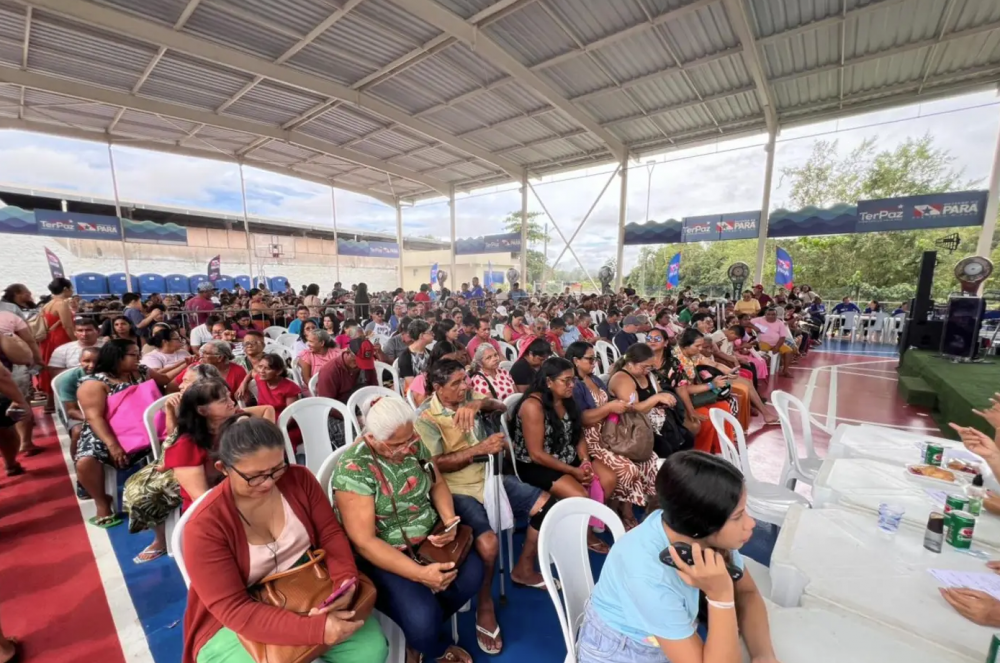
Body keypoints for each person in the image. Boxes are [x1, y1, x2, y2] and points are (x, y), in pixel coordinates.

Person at [181, 416, 387, 663]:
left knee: (370, 651)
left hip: (308, 585)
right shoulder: (204, 527)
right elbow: (233, 609)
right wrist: (314, 629)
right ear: (223, 469)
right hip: (237, 619)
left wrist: (344, 581)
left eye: (277, 469)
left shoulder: (298, 479)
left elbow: (330, 535)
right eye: (255, 476)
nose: (268, 482)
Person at [577, 451, 777, 663]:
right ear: (701, 525)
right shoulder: (648, 575)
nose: (750, 523)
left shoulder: (695, 530)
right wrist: (721, 596)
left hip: (661, 637)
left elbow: (747, 592)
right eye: (738, 516)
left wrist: (763, 655)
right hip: (622, 651)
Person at [415, 359, 557, 655]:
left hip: (490, 479)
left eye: (464, 380)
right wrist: (479, 449)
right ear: (438, 388)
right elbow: (434, 464)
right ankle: (485, 603)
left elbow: (501, 406)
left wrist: (478, 404)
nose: (464, 386)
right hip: (456, 490)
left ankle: (523, 568)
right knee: (489, 544)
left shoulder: (469, 397)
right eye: (456, 383)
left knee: (547, 507)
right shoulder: (426, 418)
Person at [335, 398, 481, 663]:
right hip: (384, 553)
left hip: (427, 539)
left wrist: (449, 521)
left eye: (410, 438)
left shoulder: (413, 443)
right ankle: (431, 643)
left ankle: (421, 634)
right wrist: (420, 574)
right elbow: (365, 542)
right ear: (372, 438)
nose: (407, 448)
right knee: (423, 620)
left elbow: (437, 483)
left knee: (472, 575)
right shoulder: (354, 469)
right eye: (397, 445)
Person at [510, 357, 615, 553]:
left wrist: (585, 461)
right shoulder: (533, 406)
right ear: (549, 382)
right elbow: (536, 454)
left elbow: (578, 433)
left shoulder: (567, 399)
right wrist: (573, 471)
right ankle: (583, 535)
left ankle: (581, 525)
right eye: (566, 380)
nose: (572, 385)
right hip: (537, 464)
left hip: (566, 454)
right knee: (579, 495)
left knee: (608, 478)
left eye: (573, 379)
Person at [76, 340, 174, 528]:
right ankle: (102, 502)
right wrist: (113, 445)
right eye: (133, 354)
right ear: (116, 357)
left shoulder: (141, 371)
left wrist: (188, 366)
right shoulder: (95, 383)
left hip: (142, 429)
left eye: (138, 354)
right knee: (86, 460)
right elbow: (95, 418)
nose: (138, 358)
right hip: (105, 431)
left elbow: (165, 380)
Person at [568, 342, 660, 529]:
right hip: (592, 438)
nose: (594, 363)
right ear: (576, 361)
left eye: (595, 358)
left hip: (610, 432)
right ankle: (612, 512)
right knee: (628, 469)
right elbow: (582, 419)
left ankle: (625, 508)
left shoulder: (595, 379)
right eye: (590, 359)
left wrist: (620, 406)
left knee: (649, 459)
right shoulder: (575, 386)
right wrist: (610, 407)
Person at [655, 329, 738, 454]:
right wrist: (711, 385)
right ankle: (701, 453)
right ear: (685, 346)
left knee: (724, 407)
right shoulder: (675, 360)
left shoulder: (694, 355)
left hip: (696, 394)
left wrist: (729, 371)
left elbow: (714, 364)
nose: (700, 349)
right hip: (681, 399)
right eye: (697, 346)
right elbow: (682, 389)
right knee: (706, 418)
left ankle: (722, 450)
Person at [56, 345, 100, 459]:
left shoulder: (108, 375)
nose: (92, 365)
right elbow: (72, 411)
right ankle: (77, 461)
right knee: (78, 431)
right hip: (79, 414)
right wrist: (93, 419)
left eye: (96, 361)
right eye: (87, 361)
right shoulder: (69, 379)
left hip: (101, 411)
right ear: (80, 361)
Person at [38, 277, 76, 407]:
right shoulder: (61, 304)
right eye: (71, 288)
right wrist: (76, 342)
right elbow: (68, 326)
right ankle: (61, 401)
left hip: (48, 339)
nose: (72, 290)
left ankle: (50, 403)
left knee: (51, 367)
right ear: (65, 289)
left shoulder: (48, 304)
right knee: (63, 367)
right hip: (60, 338)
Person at [179, 340, 248, 397]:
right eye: (202, 352)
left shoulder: (237, 371)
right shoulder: (195, 367)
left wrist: (235, 409)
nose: (201, 356)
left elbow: (245, 397)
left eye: (206, 353)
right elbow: (173, 387)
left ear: (220, 358)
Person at [750, 308, 794, 377]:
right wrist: (754, 327)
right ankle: (762, 372)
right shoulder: (759, 319)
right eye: (768, 314)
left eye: (773, 314)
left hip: (778, 343)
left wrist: (777, 347)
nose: (771, 316)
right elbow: (747, 322)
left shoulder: (780, 323)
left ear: (776, 315)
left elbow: (782, 337)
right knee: (764, 353)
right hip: (763, 342)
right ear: (765, 315)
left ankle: (785, 371)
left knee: (789, 351)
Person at [397, 320, 434, 393]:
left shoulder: (429, 353)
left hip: (430, 390)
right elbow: (412, 386)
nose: (433, 334)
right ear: (421, 335)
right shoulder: (406, 357)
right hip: (415, 394)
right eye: (430, 332)